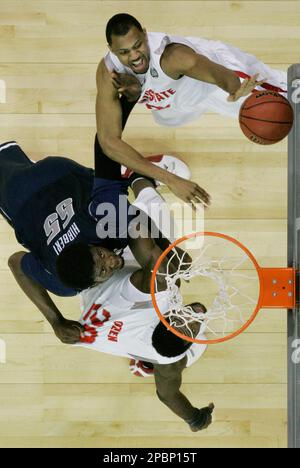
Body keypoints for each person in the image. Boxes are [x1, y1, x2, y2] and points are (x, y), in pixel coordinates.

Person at [2, 140, 186, 344]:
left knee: (131, 208)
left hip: (44, 182)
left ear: (88, 245)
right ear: (91, 284)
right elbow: (16, 261)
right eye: (104, 271)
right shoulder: (59, 281)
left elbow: (139, 220)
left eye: (100, 254)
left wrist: (169, 250)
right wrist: (56, 321)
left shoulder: (102, 225)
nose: (112, 261)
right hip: (41, 186)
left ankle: (133, 175)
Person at [95, 13, 287, 203]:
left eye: (138, 45)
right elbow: (108, 141)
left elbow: (223, 77)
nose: (135, 56)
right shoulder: (109, 72)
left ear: (145, 35)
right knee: (164, 119)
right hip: (173, 105)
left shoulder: (173, 56)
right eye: (124, 52)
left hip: (214, 85)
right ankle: (146, 168)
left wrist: (234, 88)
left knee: (283, 101)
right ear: (111, 49)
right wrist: (171, 180)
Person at [76, 177, 214, 431]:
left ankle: (141, 179)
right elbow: (167, 395)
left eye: (186, 320)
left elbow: (138, 230)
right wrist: (193, 418)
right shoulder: (166, 359)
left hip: (101, 280)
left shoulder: (155, 290)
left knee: (173, 256)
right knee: (174, 264)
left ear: (164, 319)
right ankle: (142, 363)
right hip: (104, 320)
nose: (196, 314)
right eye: (194, 323)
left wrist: (168, 249)